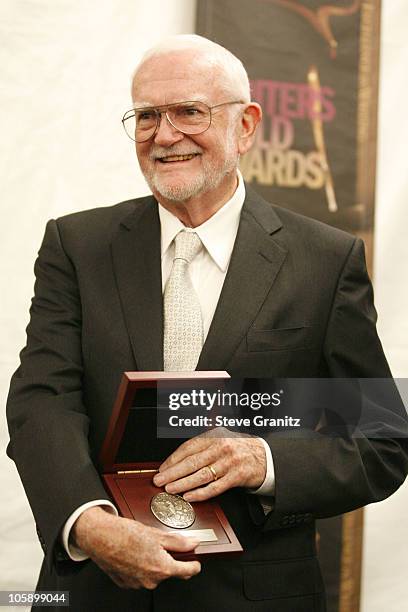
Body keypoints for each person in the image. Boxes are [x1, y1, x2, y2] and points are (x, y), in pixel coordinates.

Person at [6, 34, 408, 612]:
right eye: (147, 116)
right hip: (95, 589)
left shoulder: (324, 260)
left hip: (257, 595)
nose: (165, 135)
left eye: (189, 112)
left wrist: (263, 459)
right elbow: (42, 400)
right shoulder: (77, 246)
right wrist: (88, 525)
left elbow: (378, 438)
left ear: (245, 126)